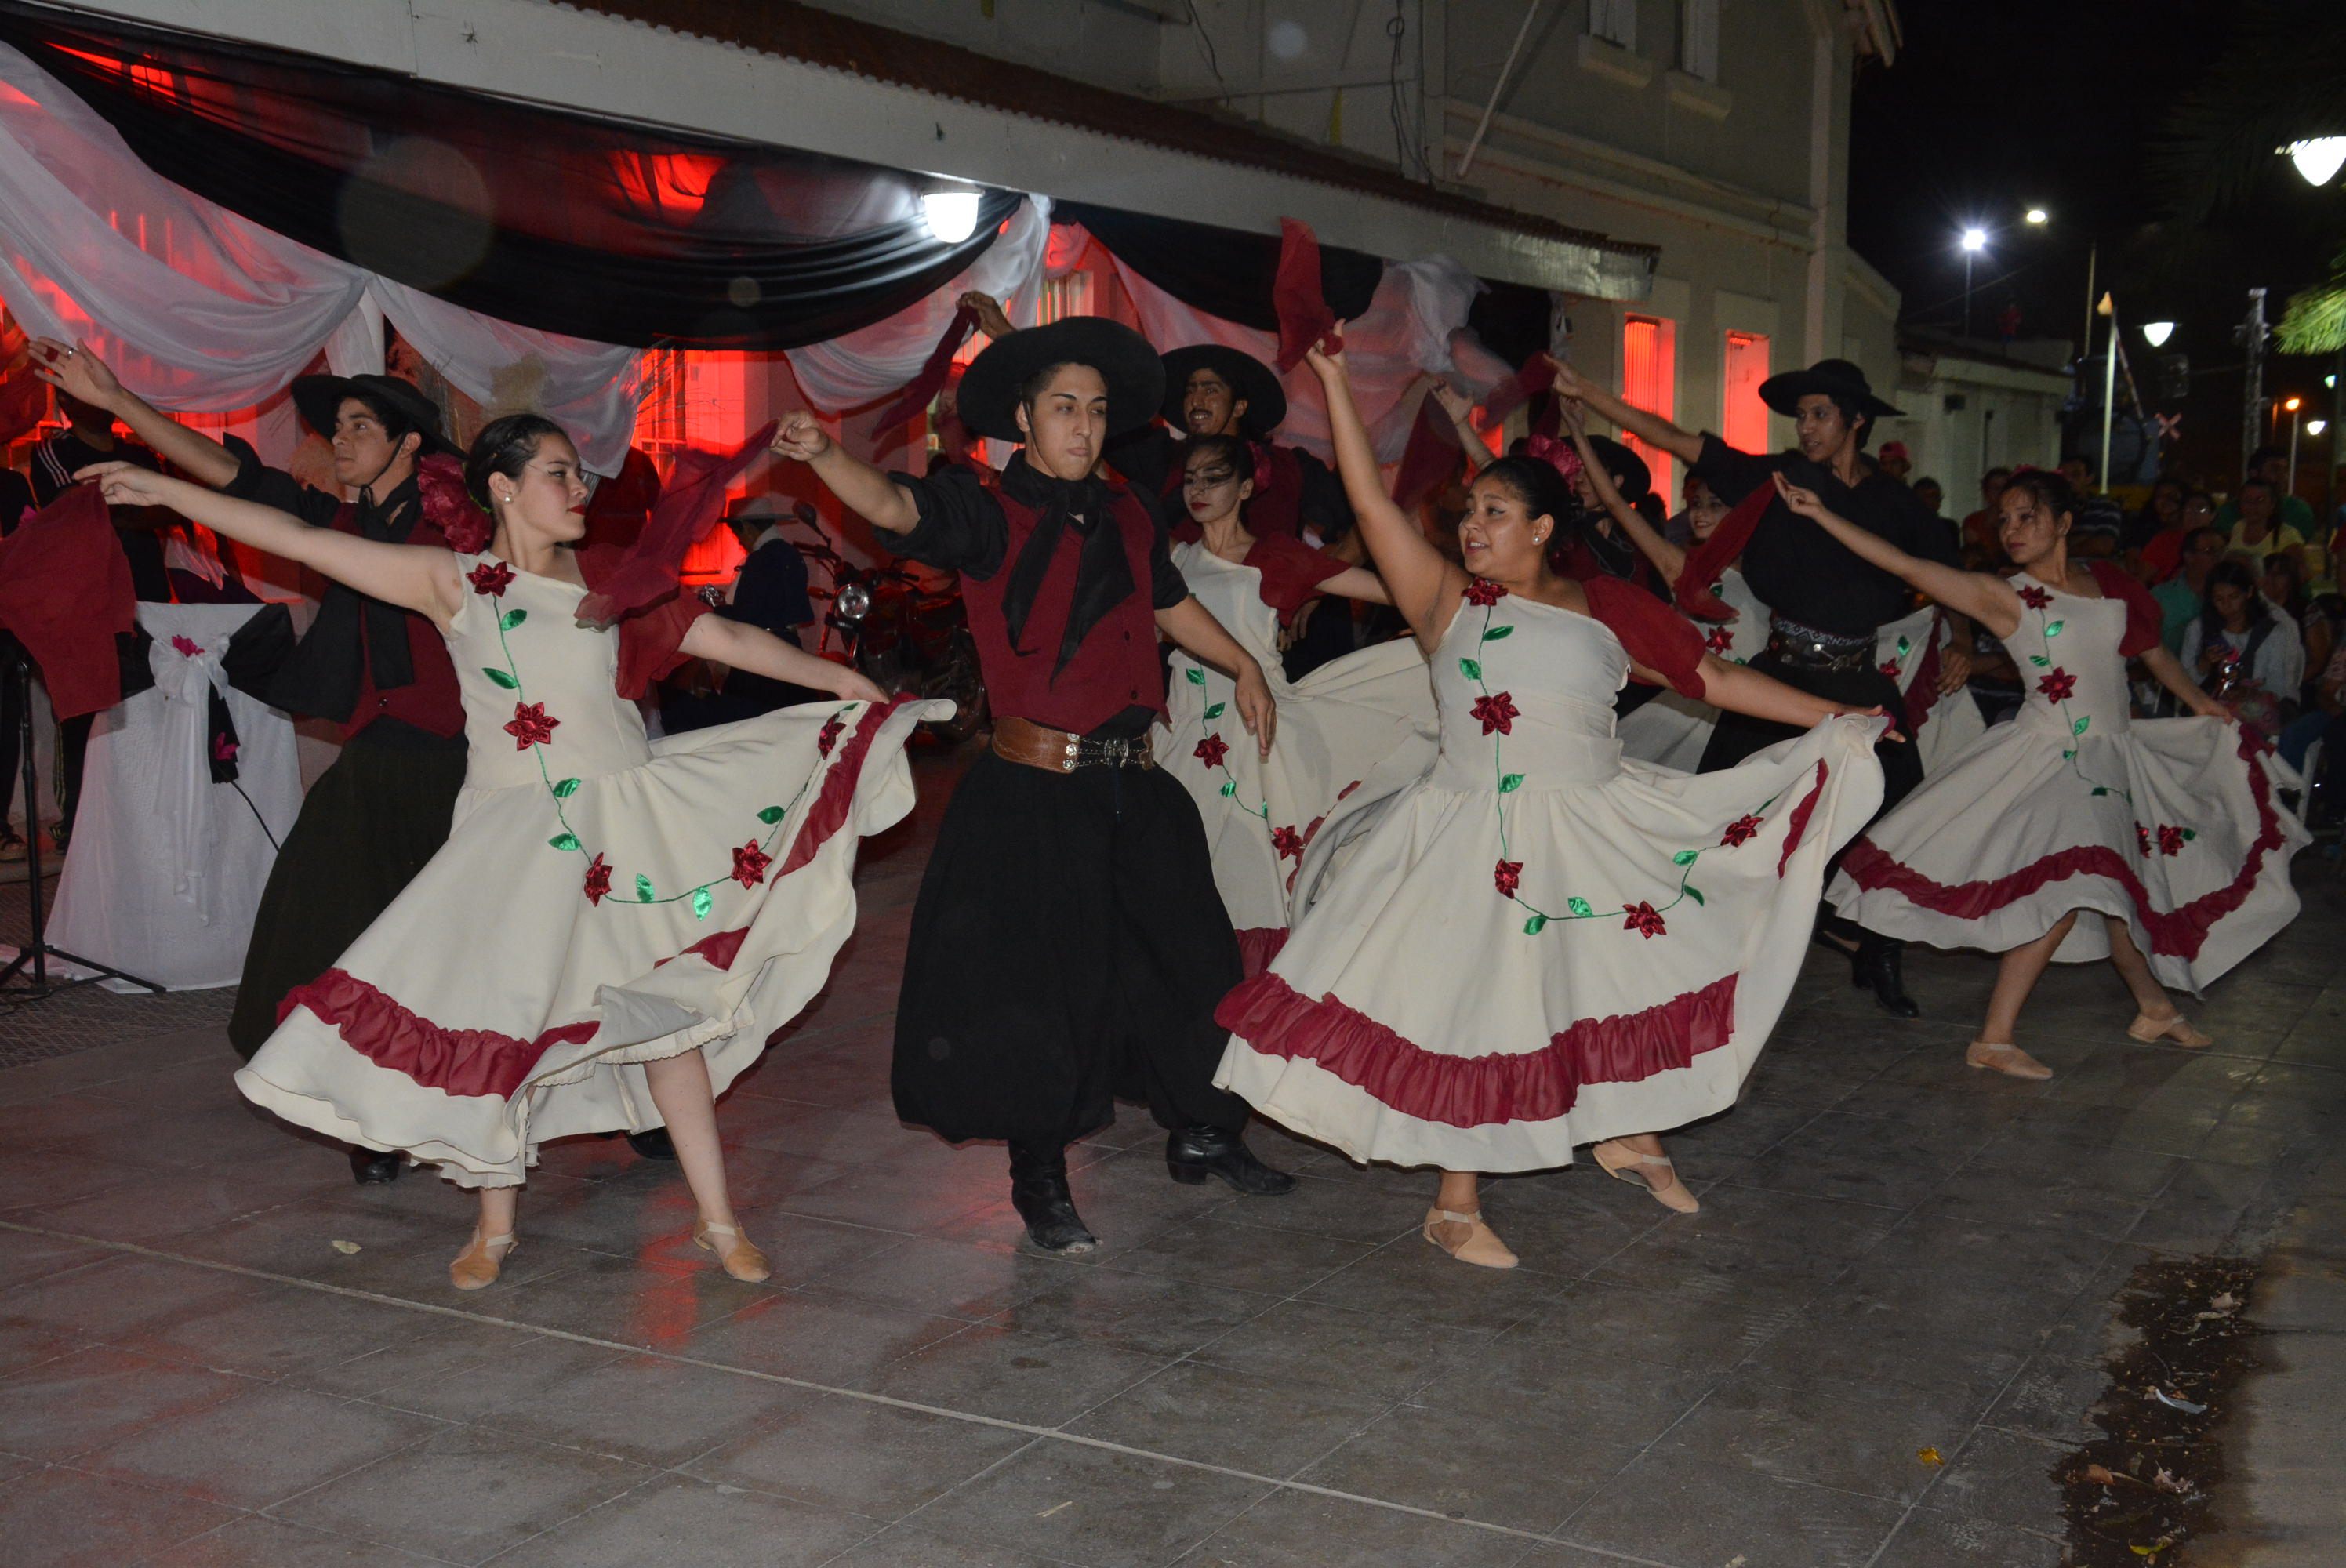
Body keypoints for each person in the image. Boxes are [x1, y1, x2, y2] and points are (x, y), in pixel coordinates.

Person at [83, 415, 908, 1288]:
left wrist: (842, 680)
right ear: (504, 489)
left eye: (577, 471)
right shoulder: (457, 582)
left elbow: (726, 639)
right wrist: (168, 489)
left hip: (627, 827)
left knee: (669, 1025)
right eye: (558, 472)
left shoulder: (615, 582)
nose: (579, 488)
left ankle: (717, 1218)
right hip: (514, 837)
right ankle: (493, 1224)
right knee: (507, 1022)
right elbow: (301, 538)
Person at [1214, 347, 1887, 1265]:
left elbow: (1715, 676)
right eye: (1469, 512)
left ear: (1540, 528)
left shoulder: (1607, 610)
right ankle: (1454, 1203)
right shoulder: (1447, 601)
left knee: (1608, 980)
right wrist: (1333, 386)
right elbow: (1372, 509)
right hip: (1465, 834)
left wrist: (1839, 713)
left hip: (1590, 827)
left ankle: (1622, 1130)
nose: (1472, 527)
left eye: (1494, 512)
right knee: (1477, 1004)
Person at [769, 316, 1298, 1257]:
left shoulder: (1132, 506)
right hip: (1035, 789)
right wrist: (822, 458)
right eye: (1064, 408)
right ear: (1023, 418)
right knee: (1042, 990)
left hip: (1138, 784)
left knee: (1191, 963)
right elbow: (895, 508)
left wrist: (1244, 664)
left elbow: (1167, 601)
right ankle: (1040, 1173)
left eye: (1096, 411)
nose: (1084, 426)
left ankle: (1205, 1129)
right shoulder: (986, 511)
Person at [32, 341, 478, 1184]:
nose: (338, 439)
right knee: (324, 930)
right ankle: (376, 1115)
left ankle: (604, 1095)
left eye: (358, 426)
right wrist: (121, 398)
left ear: (410, 444)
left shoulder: (452, 532)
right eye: (335, 425)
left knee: (474, 949)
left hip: (466, 768)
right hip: (379, 759)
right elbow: (241, 484)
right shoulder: (346, 523)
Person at [1816, 469, 2305, 1078]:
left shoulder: (2108, 584)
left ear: (2064, 523)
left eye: (2027, 517)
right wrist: (1822, 514)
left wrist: (2204, 704)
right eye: (2005, 520)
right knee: (2080, 885)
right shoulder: (2007, 595)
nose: (2012, 530)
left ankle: (2152, 1006)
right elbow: (1907, 565)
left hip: (2117, 755)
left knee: (2123, 889)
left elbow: (2149, 652)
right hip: (2054, 759)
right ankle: (1994, 1038)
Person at [1549, 354, 1957, 1017]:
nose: (1806, 426)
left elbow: (1945, 574)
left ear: (1855, 420)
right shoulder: (1779, 477)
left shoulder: (1892, 502)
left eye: (1819, 413)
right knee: (1728, 815)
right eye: (1801, 415)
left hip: (1857, 679)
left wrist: (1962, 640)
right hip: (1779, 680)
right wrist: (1591, 393)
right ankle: (1707, 953)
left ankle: (1878, 945)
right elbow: (1680, 440)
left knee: (1898, 817)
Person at [1156, 434, 1433, 971]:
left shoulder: (1275, 556)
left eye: (1214, 478)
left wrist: (1446, 612)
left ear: (1244, 488)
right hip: (1183, 732)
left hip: (1253, 733)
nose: (1199, 489)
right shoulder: (1172, 558)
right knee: (1175, 870)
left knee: (1251, 872)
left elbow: (1397, 588)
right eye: (1191, 478)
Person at [658, 498, 824, 735]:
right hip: (789, 651)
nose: (739, 541)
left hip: (761, 661)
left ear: (747, 528)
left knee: (740, 729)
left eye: (736, 534)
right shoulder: (791, 554)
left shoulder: (761, 559)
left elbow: (747, 617)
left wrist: (713, 609)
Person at [2181, 559, 2304, 744]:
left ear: (2249, 593)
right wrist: (2204, 666)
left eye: (2234, 597)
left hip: (2264, 709)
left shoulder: (2274, 632)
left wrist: (2246, 693)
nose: (2226, 605)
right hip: (2214, 707)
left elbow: (2281, 687)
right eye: (2219, 599)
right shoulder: (2199, 629)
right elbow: (2183, 684)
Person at [2221, 477, 2308, 572]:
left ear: (2272, 504)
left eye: (2260, 500)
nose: (2252, 505)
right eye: (2247, 500)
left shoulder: (2287, 535)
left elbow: (2302, 574)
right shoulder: (2238, 527)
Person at [2140, 490, 2218, 590]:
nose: (2194, 514)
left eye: (2201, 509)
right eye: (2188, 510)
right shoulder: (2164, 541)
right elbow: (2141, 580)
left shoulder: (2219, 543)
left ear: (2212, 515)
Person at [1960, 467, 2014, 566]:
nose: (2001, 493)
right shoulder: (1973, 521)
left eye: (2005, 488)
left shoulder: (2018, 521)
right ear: (1986, 491)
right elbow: (1977, 556)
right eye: (1996, 488)